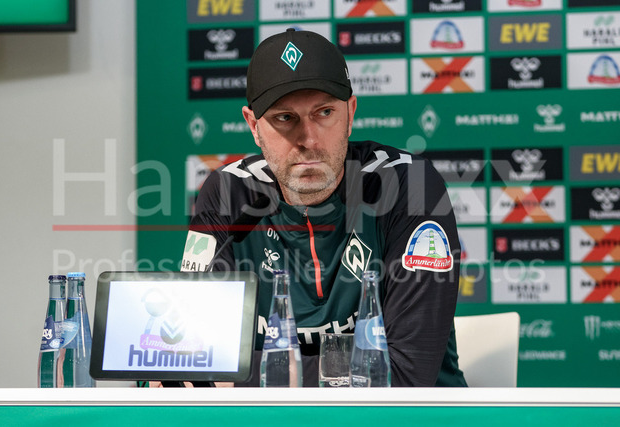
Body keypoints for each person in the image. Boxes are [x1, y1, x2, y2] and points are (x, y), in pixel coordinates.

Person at [181, 29, 466, 387]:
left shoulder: (410, 186)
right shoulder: (228, 192)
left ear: (350, 112)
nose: (309, 139)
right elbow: (193, 357)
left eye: (325, 112)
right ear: (254, 126)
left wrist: (239, 372)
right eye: (285, 118)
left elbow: (405, 374)